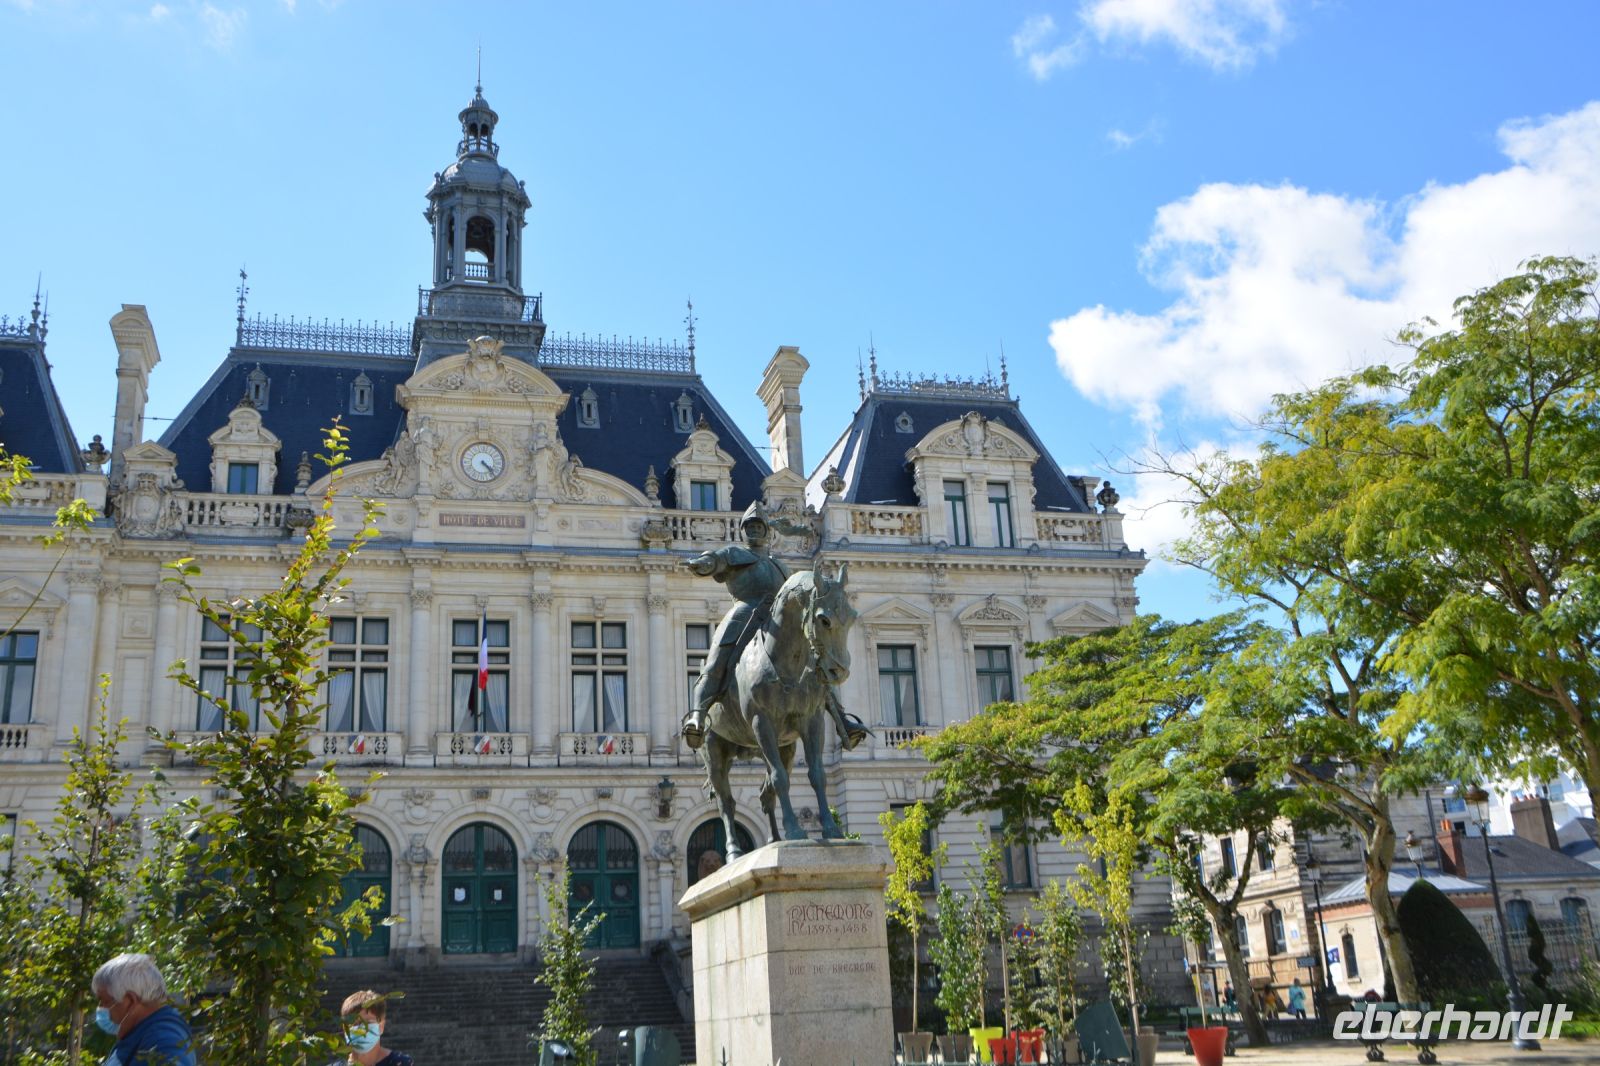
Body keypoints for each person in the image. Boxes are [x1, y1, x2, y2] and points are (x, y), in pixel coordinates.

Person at [680, 502, 867, 752]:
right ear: (743, 530)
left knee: (812, 661)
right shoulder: (735, 554)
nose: (755, 530)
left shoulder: (780, 565)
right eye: (750, 526)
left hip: (777, 619)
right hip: (745, 611)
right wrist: (703, 563)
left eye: (759, 526)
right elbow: (714, 560)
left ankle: (842, 720)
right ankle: (698, 716)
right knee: (717, 658)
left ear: (767, 531)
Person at [91, 952, 196, 1066]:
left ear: (130, 1001)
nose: (100, 1008)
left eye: (105, 1001)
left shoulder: (163, 1039)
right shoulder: (143, 1032)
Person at [340, 989, 413, 1066]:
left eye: (368, 1023)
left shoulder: (401, 1063)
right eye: (355, 1024)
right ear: (345, 1028)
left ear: (381, 1026)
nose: (361, 1029)